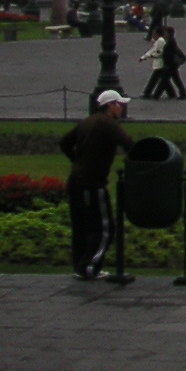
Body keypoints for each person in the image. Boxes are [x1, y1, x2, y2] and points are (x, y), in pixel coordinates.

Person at [61, 89, 135, 279]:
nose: (121, 109)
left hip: (76, 180)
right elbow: (128, 144)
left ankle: (80, 266)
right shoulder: (107, 124)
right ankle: (90, 267)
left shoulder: (88, 121)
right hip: (92, 183)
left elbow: (64, 143)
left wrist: (77, 161)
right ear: (109, 106)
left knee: (81, 227)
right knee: (105, 228)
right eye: (119, 104)